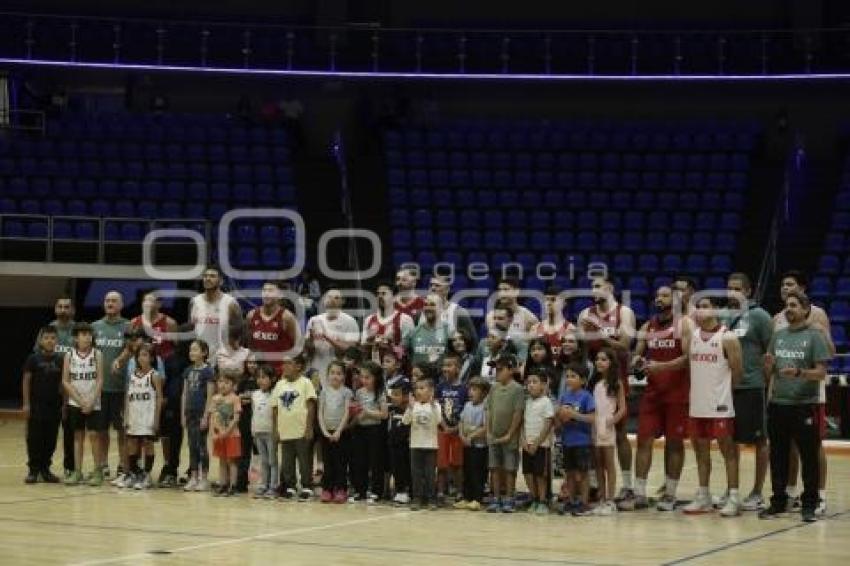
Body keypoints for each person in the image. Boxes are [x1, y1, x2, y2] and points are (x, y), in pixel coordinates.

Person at [760, 291, 830, 523]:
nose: (788, 309)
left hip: (804, 406)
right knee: (778, 456)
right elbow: (768, 373)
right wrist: (768, 367)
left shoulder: (814, 336)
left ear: (805, 309)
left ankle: (809, 504)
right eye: (786, 305)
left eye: (793, 305)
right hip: (778, 404)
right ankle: (778, 502)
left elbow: (821, 373)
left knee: (809, 458)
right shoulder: (778, 336)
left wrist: (800, 372)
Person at [622, 285, 692, 512]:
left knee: (674, 443)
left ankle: (670, 494)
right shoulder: (648, 326)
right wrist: (636, 362)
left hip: (677, 393)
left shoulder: (684, 324)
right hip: (653, 393)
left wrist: (660, 366)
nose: (659, 299)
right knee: (643, 441)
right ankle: (640, 494)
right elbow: (637, 355)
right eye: (657, 295)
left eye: (664, 295)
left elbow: (687, 358)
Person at [683, 297, 743, 517]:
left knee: (728, 452)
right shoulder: (693, 336)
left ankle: (734, 497)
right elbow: (690, 369)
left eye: (705, 306)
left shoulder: (728, 337)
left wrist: (724, 395)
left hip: (720, 405)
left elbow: (738, 373)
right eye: (698, 306)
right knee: (700, 452)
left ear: (716, 310)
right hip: (697, 404)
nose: (700, 310)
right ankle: (704, 495)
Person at [578, 275, 635, 501]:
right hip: (593, 379)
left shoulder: (624, 312)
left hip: (616, 376)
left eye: (598, 286)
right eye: (592, 286)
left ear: (610, 288)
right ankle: (594, 484)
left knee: (620, 434)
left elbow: (624, 347)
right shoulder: (585, 314)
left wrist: (601, 336)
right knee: (592, 433)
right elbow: (581, 351)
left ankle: (628, 485)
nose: (594, 289)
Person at [725, 273, 773, 511]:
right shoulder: (724, 316)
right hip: (726, 388)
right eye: (729, 289)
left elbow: (770, 352)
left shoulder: (760, 316)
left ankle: (757, 492)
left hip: (752, 387)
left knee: (759, 439)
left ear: (748, 291)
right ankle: (731, 490)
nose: (732, 293)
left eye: (737, 289)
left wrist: (765, 383)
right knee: (729, 439)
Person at [37, 296, 76, 479]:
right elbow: (36, 358)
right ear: (55, 309)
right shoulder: (47, 330)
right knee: (46, 433)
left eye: (66, 307)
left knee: (69, 433)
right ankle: (42, 468)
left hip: (72, 390)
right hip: (49, 390)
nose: (63, 309)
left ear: (72, 310)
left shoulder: (77, 331)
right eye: (60, 306)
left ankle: (70, 467)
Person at [92, 291, 129, 481]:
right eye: (107, 300)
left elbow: (132, 350)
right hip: (99, 390)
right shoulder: (94, 327)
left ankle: (123, 465)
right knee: (101, 430)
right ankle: (103, 464)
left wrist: (120, 361)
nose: (110, 303)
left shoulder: (128, 326)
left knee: (122, 430)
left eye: (114, 301)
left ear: (121, 305)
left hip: (121, 389)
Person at [62, 322, 104, 486]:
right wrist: (80, 401)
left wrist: (92, 400)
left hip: (94, 402)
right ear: (76, 337)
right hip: (76, 402)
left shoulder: (97, 354)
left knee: (94, 436)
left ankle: (98, 470)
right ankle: (77, 471)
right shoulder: (69, 355)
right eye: (83, 334)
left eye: (89, 334)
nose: (87, 337)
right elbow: (65, 381)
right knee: (78, 436)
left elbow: (100, 379)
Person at [22, 325, 64, 484]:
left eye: (52, 338)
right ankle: (33, 470)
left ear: (57, 341)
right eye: (46, 338)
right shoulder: (33, 359)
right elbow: (26, 381)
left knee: (50, 438)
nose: (49, 341)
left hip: (54, 407)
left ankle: (45, 469)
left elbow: (62, 384)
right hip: (36, 406)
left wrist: (65, 404)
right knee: (34, 438)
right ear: (40, 340)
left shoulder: (60, 359)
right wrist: (26, 404)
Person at [273, 354, 317, 501]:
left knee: (304, 460)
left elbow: (311, 406)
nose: (284, 367)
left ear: (298, 366)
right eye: (283, 364)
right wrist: (275, 429)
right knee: (287, 462)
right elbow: (274, 408)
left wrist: (309, 427)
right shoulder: (279, 385)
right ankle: (290, 486)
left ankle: (307, 486)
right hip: (285, 430)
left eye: (288, 363)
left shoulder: (306, 383)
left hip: (301, 430)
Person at [485, 353, 525, 513]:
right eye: (495, 369)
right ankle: (496, 497)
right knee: (494, 467)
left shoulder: (517, 389)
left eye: (500, 369)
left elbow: (518, 413)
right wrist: (488, 430)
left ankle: (509, 497)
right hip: (494, 434)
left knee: (510, 469)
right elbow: (488, 410)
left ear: (511, 370)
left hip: (510, 437)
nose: (497, 373)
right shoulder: (493, 387)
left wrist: (510, 433)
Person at [589, 349, 627, 515]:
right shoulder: (596, 384)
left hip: (608, 427)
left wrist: (612, 421)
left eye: (603, 359)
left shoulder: (616, 383)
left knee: (609, 464)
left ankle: (611, 500)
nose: (599, 362)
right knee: (598, 464)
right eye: (597, 359)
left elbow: (623, 408)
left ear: (611, 362)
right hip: (596, 426)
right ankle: (602, 498)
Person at [122, 343, 163, 490]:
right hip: (134, 415)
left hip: (148, 416)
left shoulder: (154, 375)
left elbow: (159, 398)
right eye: (140, 355)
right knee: (132, 444)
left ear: (152, 358)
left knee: (148, 444)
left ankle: (146, 474)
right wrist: (126, 416)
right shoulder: (132, 375)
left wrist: (156, 419)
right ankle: (134, 473)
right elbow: (128, 397)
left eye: (145, 355)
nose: (142, 358)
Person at [556, 362, 595, 515]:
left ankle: (584, 503)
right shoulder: (564, 396)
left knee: (582, 474)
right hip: (567, 441)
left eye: (573, 376)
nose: (569, 379)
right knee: (570, 473)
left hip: (582, 441)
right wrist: (559, 419)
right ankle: (571, 501)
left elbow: (592, 417)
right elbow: (559, 416)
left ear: (583, 380)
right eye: (568, 376)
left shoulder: (586, 396)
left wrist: (574, 415)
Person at [305, 288, 360, 387]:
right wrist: (310, 339)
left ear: (342, 301)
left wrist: (326, 336)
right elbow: (308, 350)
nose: (332, 300)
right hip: (315, 370)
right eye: (329, 297)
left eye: (336, 298)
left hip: (337, 373)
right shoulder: (314, 320)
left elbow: (351, 350)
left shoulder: (350, 321)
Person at [350, 361, 388, 503]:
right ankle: (360, 490)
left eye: (368, 377)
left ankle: (376, 491)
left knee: (375, 461)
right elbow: (357, 411)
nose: (364, 380)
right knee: (360, 460)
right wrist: (355, 414)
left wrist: (367, 413)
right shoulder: (359, 392)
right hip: (360, 430)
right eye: (362, 377)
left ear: (376, 378)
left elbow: (384, 414)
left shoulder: (380, 393)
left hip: (375, 430)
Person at [189, 266, 243, 365]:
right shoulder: (195, 301)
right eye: (205, 276)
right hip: (201, 358)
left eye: (212, 276)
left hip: (223, 358)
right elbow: (192, 329)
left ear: (221, 281)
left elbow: (239, 331)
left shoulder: (230, 303)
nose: (208, 278)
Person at [403, 377, 443, 510]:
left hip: (430, 446)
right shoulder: (413, 406)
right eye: (416, 389)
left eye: (422, 388)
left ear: (431, 391)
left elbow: (438, 420)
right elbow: (405, 421)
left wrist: (432, 406)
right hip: (415, 445)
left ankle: (432, 499)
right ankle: (417, 498)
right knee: (416, 474)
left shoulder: (436, 405)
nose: (418, 391)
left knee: (430, 474)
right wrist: (409, 408)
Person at [245, 281, 300, 377]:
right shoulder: (251, 315)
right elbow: (249, 345)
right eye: (264, 290)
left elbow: (297, 346)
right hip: (259, 374)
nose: (266, 293)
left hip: (280, 373)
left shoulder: (287, 317)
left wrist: (289, 370)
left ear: (280, 295)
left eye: (271, 291)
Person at [318, 360, 353, 503]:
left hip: (341, 433)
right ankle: (327, 489)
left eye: (339, 373)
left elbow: (346, 413)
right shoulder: (324, 391)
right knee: (328, 462)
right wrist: (324, 431)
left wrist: (339, 431)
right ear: (327, 375)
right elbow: (320, 412)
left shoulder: (347, 392)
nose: (335, 376)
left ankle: (341, 489)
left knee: (340, 462)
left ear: (344, 376)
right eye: (332, 373)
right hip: (326, 432)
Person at [521, 368, 555, 515]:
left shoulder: (546, 402)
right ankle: (534, 498)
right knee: (528, 473)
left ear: (543, 385)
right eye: (529, 382)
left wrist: (537, 443)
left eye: (535, 382)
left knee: (540, 475)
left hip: (541, 446)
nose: (531, 385)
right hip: (527, 445)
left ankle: (542, 501)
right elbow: (522, 423)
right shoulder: (527, 402)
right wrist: (523, 440)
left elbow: (548, 425)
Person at [182, 339, 215, 492]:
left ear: (204, 353)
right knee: (191, 445)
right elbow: (185, 393)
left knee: (201, 446)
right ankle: (193, 476)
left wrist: (206, 416)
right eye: (190, 350)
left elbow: (210, 396)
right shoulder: (188, 371)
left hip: (201, 413)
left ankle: (204, 478)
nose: (191, 352)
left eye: (195, 350)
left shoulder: (208, 371)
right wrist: (183, 413)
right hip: (189, 412)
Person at [436, 352, 468, 504]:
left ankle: (459, 491)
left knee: (457, 464)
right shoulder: (440, 387)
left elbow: (466, 411)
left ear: (459, 368)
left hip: (458, 431)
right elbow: (436, 408)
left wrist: (456, 427)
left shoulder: (464, 388)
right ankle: (441, 492)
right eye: (444, 365)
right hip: (442, 431)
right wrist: (444, 425)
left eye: (449, 365)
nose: (445, 368)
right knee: (441, 464)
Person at [454, 377, 490, 511]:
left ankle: (477, 499)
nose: (471, 392)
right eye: (470, 389)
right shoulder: (468, 405)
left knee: (477, 473)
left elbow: (486, 427)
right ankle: (467, 497)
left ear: (484, 393)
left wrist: (472, 436)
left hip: (479, 446)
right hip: (467, 445)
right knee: (467, 471)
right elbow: (462, 421)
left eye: (475, 389)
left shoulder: (485, 407)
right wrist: (462, 435)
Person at [361, 281, 414, 363]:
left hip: (397, 369)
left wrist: (389, 345)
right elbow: (363, 348)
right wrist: (371, 342)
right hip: (373, 370)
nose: (380, 296)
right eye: (378, 294)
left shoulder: (405, 319)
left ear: (394, 297)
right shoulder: (369, 319)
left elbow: (409, 349)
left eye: (384, 294)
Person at [485, 278, 539, 353]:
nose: (502, 293)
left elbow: (533, 345)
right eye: (500, 290)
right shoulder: (491, 317)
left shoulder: (529, 318)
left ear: (516, 292)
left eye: (506, 290)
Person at [210, 373, 242, 496]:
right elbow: (213, 417)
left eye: (227, 383)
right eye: (221, 382)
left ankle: (233, 486)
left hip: (232, 435)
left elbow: (236, 418)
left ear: (233, 385)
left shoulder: (235, 398)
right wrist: (214, 432)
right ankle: (223, 484)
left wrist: (227, 432)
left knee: (232, 461)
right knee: (222, 461)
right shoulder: (215, 398)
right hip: (219, 436)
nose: (223, 385)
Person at [251, 364, 278, 498]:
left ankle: (273, 486)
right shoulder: (255, 395)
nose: (260, 380)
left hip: (270, 433)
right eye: (258, 377)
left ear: (272, 379)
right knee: (263, 460)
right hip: (258, 432)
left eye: (264, 377)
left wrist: (276, 432)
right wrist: (253, 430)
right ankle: (264, 484)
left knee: (272, 461)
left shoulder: (275, 394)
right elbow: (254, 413)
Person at [403, 294, 451, 370]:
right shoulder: (414, 332)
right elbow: (403, 353)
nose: (428, 308)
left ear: (441, 308)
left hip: (442, 378)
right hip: (419, 379)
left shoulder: (449, 331)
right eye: (426, 305)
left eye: (432, 305)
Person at [426, 274, 477, 340]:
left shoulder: (459, 313)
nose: (432, 288)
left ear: (447, 289)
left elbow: (473, 341)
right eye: (431, 285)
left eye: (437, 285)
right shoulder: (420, 313)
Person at [387, 377, 412, 505]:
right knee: (396, 468)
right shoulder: (392, 409)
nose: (393, 397)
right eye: (393, 394)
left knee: (406, 468)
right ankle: (400, 490)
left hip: (405, 446)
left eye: (397, 394)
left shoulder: (411, 411)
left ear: (407, 396)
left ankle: (408, 491)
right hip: (393, 445)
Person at [533, 285, 576, 359]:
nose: (548, 303)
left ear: (564, 304)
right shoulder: (535, 328)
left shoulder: (570, 329)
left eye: (553, 300)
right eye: (546, 300)